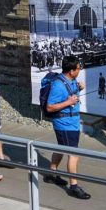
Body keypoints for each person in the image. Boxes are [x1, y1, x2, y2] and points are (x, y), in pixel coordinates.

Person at [41, 55, 90, 199]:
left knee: (61, 147)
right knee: (73, 154)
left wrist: (78, 89)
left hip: (71, 122)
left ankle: (51, 173)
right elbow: (50, 107)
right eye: (78, 69)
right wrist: (68, 103)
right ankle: (73, 186)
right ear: (71, 70)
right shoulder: (58, 85)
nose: (79, 71)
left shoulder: (70, 80)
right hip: (65, 124)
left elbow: (70, 97)